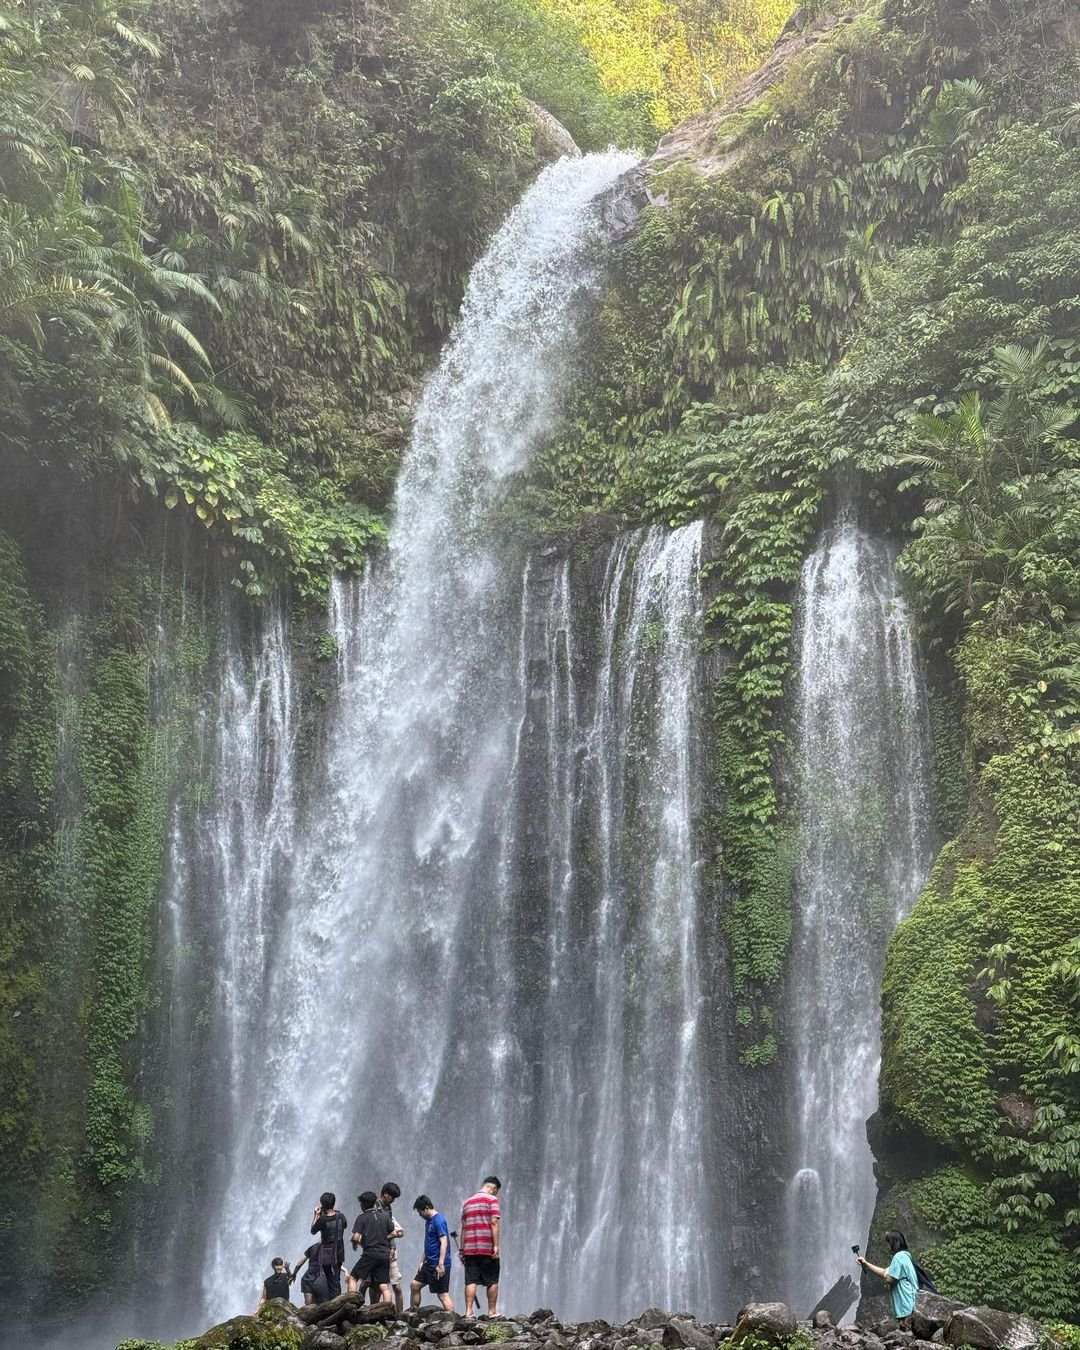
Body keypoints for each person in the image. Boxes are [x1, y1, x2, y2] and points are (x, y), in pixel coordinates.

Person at [459, 1176, 501, 1318]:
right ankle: (492, 1311)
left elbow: (463, 1228)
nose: (495, 1194)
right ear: (493, 1188)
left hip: (470, 1248)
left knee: (471, 1280)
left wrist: (461, 1249)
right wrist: (496, 1246)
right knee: (492, 1279)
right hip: (486, 1247)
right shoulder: (492, 1200)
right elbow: (494, 1223)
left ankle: (468, 1311)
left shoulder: (467, 1202)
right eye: (496, 1191)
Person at [858, 1230, 918, 1324]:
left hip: (907, 1306)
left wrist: (886, 1275)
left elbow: (888, 1278)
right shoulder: (904, 1256)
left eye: (888, 1243)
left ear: (894, 1243)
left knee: (908, 1332)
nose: (886, 1247)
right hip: (911, 1304)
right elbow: (884, 1272)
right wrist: (865, 1263)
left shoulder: (898, 1257)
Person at [410, 1194, 454, 1312]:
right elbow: (429, 1242)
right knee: (415, 1285)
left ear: (426, 1208)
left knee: (442, 1294)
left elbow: (444, 1242)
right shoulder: (429, 1221)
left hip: (438, 1264)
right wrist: (422, 1261)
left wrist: (441, 1264)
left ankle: (453, 1322)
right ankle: (413, 1314)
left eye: (420, 1212)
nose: (420, 1215)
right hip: (429, 1263)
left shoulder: (439, 1220)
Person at [349, 1189, 395, 1302]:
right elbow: (392, 1230)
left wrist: (355, 1243)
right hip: (385, 1254)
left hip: (370, 1254)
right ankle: (387, 1310)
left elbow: (355, 1237)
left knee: (353, 1278)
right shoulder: (384, 1217)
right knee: (384, 1285)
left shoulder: (361, 1218)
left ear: (363, 1205)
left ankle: (351, 1305)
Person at [311, 1191, 349, 1301]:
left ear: (322, 1204)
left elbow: (313, 1230)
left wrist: (316, 1216)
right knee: (336, 1277)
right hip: (339, 1251)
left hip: (327, 1253)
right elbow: (344, 1226)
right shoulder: (341, 1216)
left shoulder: (322, 1219)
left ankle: (335, 1301)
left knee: (329, 1277)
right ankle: (337, 1300)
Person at [375, 1182, 406, 1313]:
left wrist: (393, 1246)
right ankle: (376, 1313)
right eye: (392, 1197)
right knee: (377, 1287)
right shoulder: (374, 1208)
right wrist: (390, 1235)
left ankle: (400, 1316)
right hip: (377, 1252)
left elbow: (397, 1230)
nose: (393, 1200)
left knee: (396, 1286)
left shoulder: (388, 1209)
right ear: (385, 1194)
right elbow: (373, 1235)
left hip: (390, 1252)